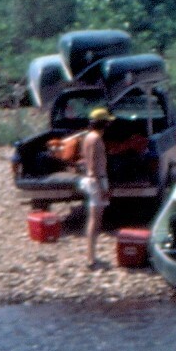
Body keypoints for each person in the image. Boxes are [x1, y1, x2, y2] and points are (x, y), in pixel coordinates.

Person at [79, 107, 112, 270]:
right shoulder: (96, 139)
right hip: (97, 180)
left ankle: (91, 255)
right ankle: (90, 257)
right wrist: (101, 186)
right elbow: (92, 165)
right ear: (103, 124)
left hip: (93, 179)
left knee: (95, 219)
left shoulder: (87, 137)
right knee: (95, 220)